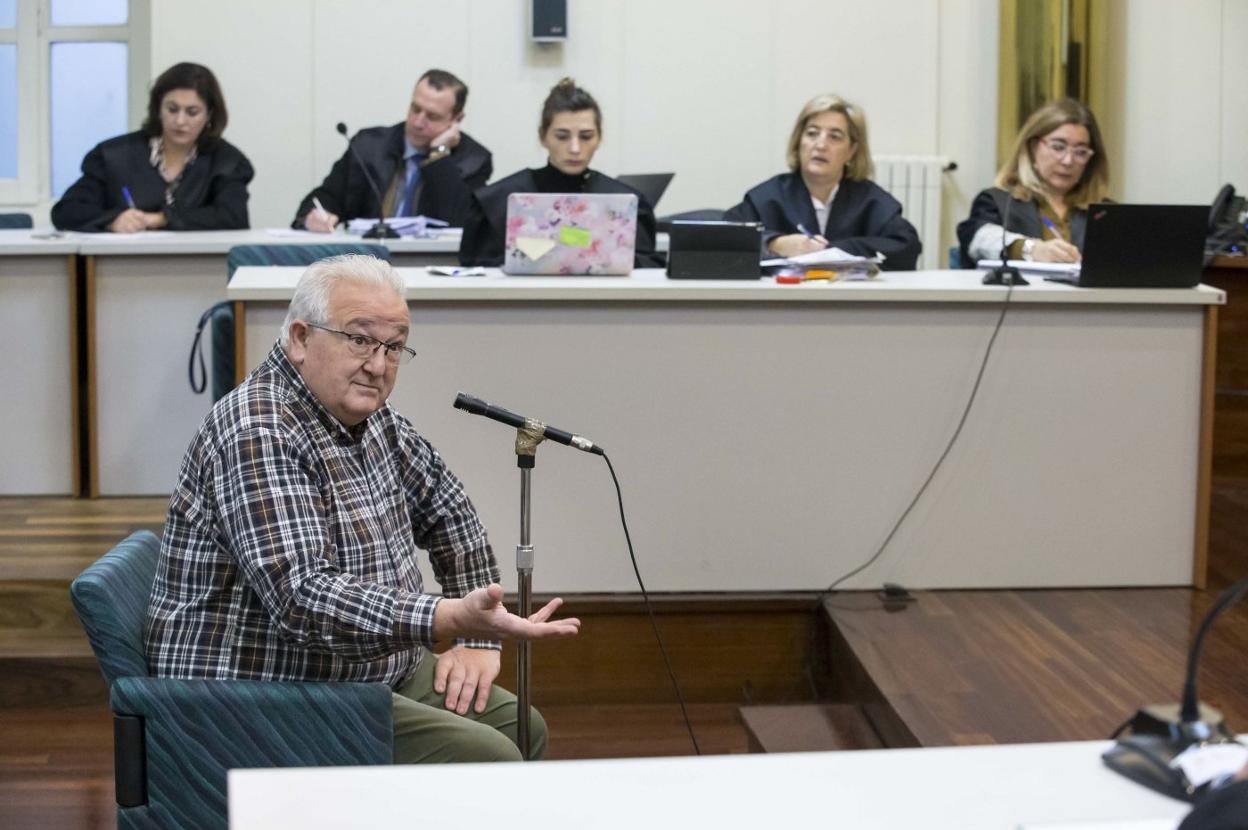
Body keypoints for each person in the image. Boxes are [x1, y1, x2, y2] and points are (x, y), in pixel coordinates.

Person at [144, 254, 580, 763]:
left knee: (523, 729)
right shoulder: (259, 431)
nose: (378, 365)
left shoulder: (374, 418)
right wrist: (449, 618)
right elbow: (302, 597)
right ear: (301, 339)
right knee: (489, 757)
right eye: (359, 339)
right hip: (259, 690)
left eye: (393, 347)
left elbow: (450, 513)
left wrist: (475, 641)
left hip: (361, 668)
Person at [458, 77, 661, 268]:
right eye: (562, 136)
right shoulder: (497, 202)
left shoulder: (625, 203)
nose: (574, 148)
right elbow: (478, 274)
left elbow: (646, 271)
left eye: (586, 136)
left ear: (599, 138)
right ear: (543, 137)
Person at [724, 94, 921, 271]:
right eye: (812, 133)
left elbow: (907, 246)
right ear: (798, 142)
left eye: (834, 137)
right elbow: (725, 239)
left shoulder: (870, 200)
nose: (820, 145)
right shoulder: (768, 197)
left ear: (852, 150)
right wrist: (774, 243)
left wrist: (832, 251)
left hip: (852, 305)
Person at [51, 62, 253, 233]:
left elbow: (233, 218)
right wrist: (111, 221)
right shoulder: (114, 156)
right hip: (123, 267)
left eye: (192, 112)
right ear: (158, 109)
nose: (180, 121)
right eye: (172, 109)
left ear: (209, 115)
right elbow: (67, 211)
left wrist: (162, 219)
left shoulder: (227, 161)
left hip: (199, 270)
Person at [293, 69, 491, 232]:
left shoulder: (473, 160)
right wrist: (313, 217)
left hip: (431, 264)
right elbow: (325, 198)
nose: (418, 122)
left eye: (432, 116)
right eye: (415, 108)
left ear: (456, 119)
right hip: (367, 262)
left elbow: (461, 222)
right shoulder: (369, 146)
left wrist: (439, 155)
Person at [957, 97, 1109, 267]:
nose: (1068, 161)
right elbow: (979, 239)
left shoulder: (1106, 213)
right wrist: (1033, 250)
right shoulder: (998, 202)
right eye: (1058, 147)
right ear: (1032, 147)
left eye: (1080, 152)